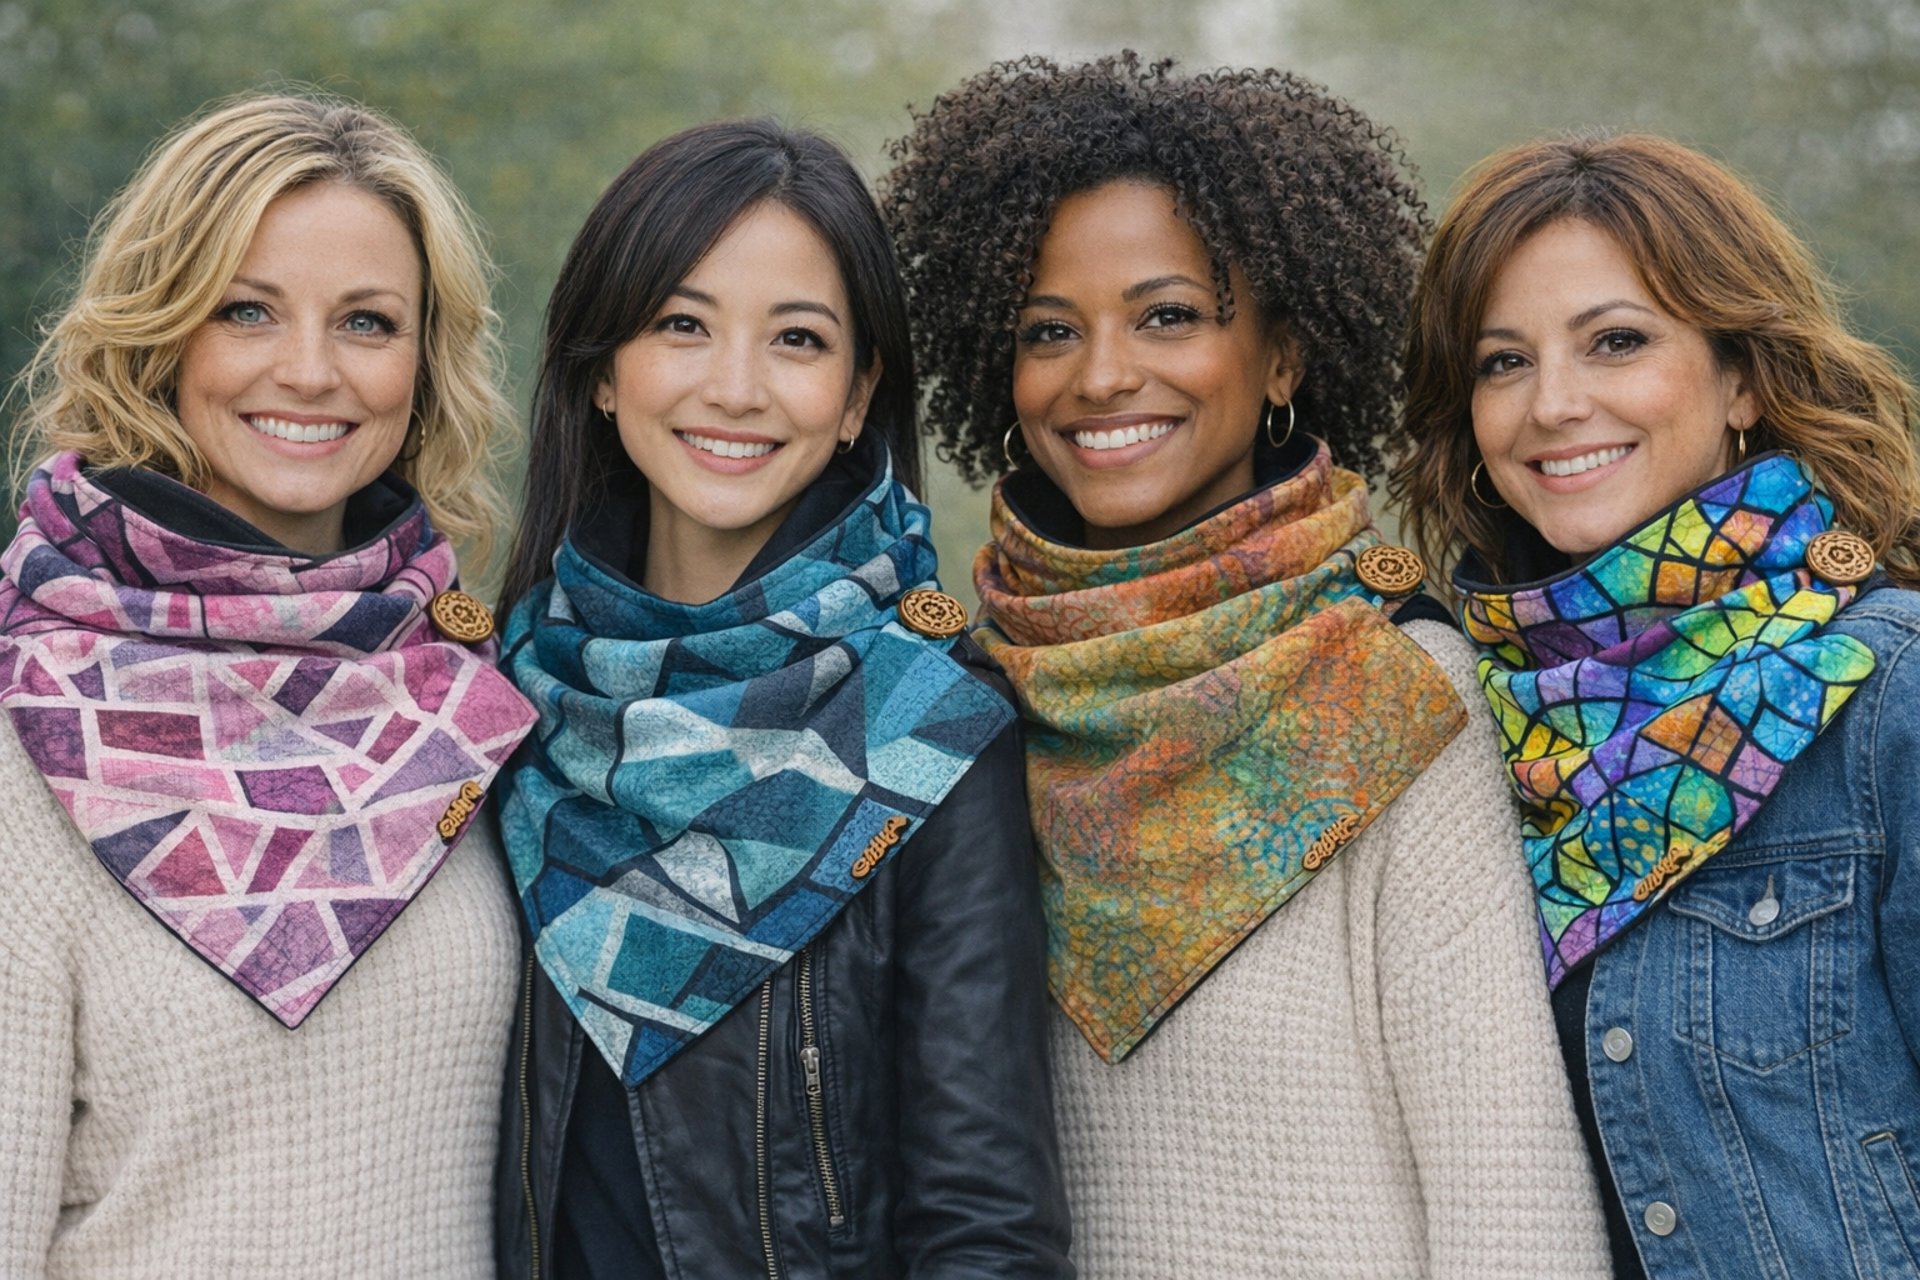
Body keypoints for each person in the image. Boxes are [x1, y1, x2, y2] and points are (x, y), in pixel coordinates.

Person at [883, 52, 1608, 1277]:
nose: (1102, 373)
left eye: (1169, 314)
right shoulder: (963, 696)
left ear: (1283, 357)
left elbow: (1513, 1192)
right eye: (1048, 330)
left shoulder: (1393, 687)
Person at [491, 119, 1070, 1279]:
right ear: (605, 369)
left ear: (858, 397)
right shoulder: (501, 703)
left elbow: (984, 1224)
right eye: (682, 325)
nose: (736, 387)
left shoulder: (932, 728)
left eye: (796, 339)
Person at [0, 92, 535, 1275]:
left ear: (423, 360)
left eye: (367, 322)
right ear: (163, 333)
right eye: (247, 309)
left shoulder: (464, 700)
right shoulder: (23, 725)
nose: (310, 370)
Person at [1391, 130, 1920, 1278]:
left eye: (1616, 342)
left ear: (1740, 376)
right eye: (1502, 362)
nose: (1555, 404)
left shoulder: (1885, 691)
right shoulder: (1467, 723)